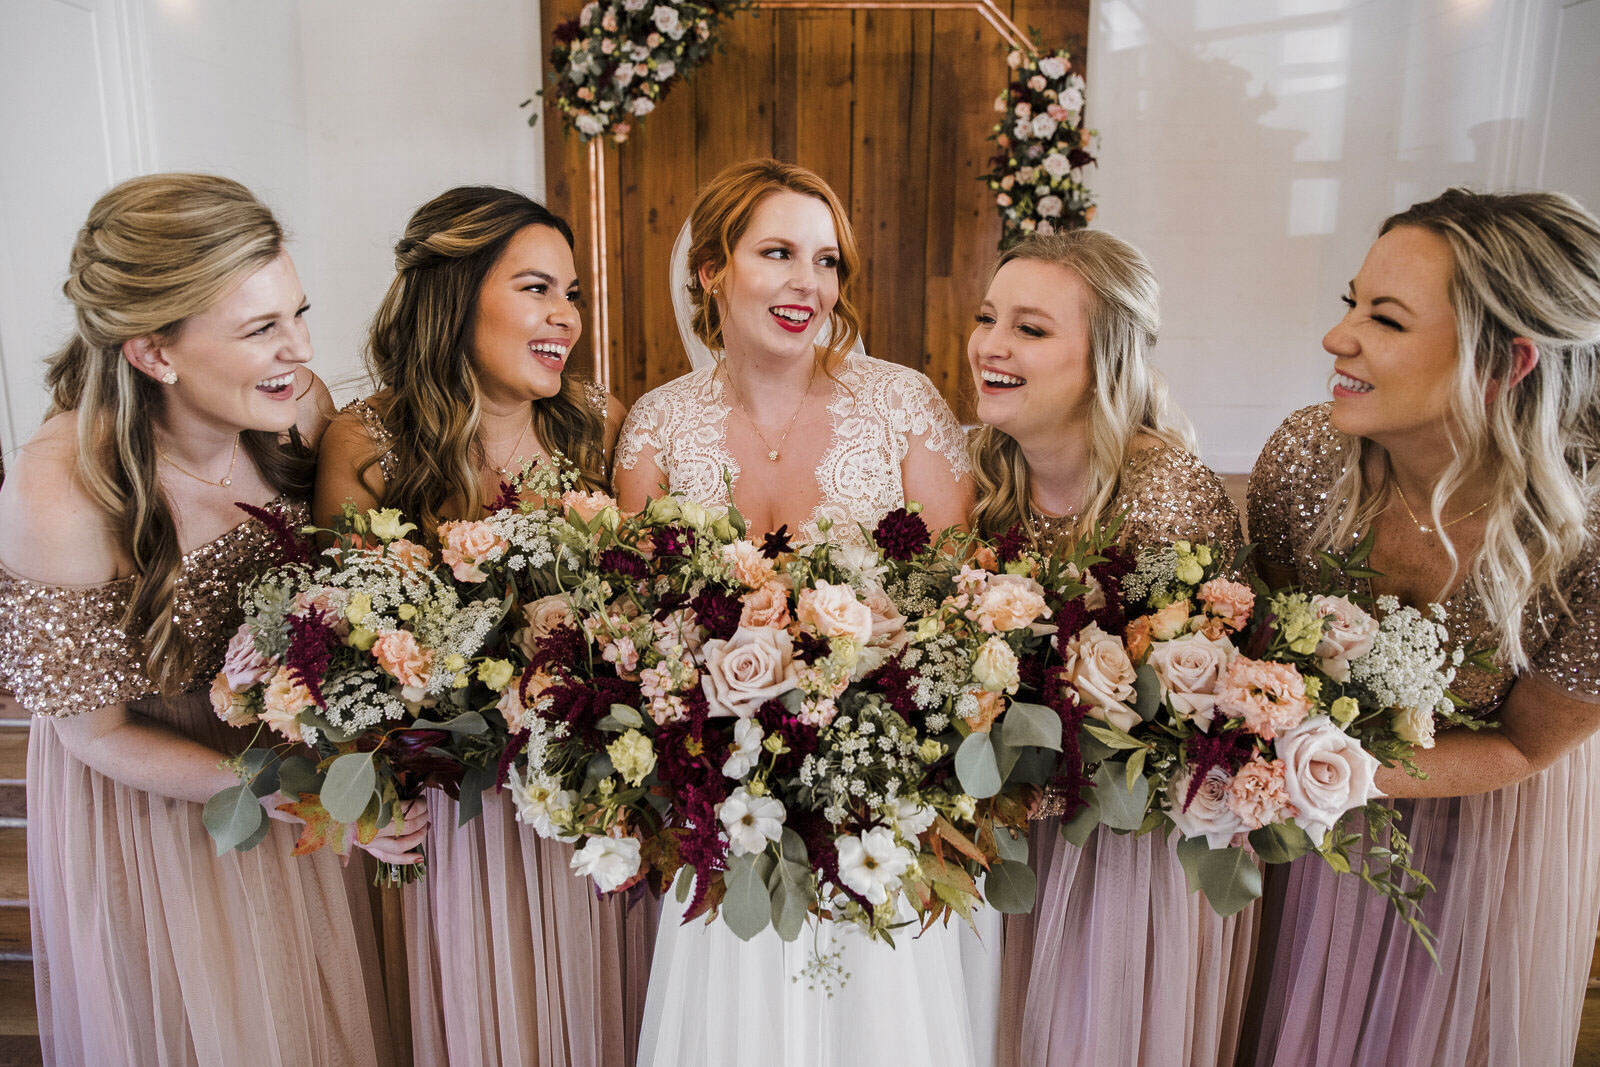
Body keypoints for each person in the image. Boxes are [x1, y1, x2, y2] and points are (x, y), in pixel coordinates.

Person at [0, 173, 406, 1065]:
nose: (301, 349)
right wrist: (296, 793)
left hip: (290, 746)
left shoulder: (296, 412)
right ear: (155, 352)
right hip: (162, 797)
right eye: (261, 329)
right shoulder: (57, 493)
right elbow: (96, 735)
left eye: (299, 313)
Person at [616, 158, 977, 1066]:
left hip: (876, 813)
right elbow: (636, 627)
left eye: (826, 261)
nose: (808, 284)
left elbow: (956, 610)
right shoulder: (656, 426)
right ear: (712, 270)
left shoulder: (902, 406)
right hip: (722, 815)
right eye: (778, 253)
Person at [1243, 188, 1600, 1066]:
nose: (1337, 338)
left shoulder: (1586, 535)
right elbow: (1273, 653)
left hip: (1482, 829)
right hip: (1309, 824)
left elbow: (1525, 744)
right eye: (1350, 303)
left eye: (1386, 319)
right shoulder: (1305, 459)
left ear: (1506, 362)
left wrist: (1337, 772)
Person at [313, 185, 647, 1067]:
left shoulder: (599, 428)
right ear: (456, 296)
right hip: (452, 823)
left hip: (585, 806)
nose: (566, 316)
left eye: (572, 294)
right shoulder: (366, 442)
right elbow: (346, 647)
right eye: (537, 288)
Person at [971, 228, 1256, 1067]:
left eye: (1029, 328)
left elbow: (1202, 709)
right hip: (1007, 822)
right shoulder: (978, 467)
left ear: (1106, 360)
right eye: (988, 317)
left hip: (1127, 840)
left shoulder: (1165, 489)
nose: (990, 344)